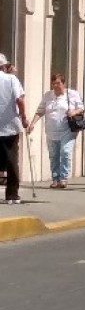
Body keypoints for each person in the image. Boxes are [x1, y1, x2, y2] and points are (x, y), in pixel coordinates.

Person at [27, 73, 85, 189]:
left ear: (63, 83)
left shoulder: (72, 94)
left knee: (65, 152)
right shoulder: (48, 95)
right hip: (51, 130)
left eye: (58, 83)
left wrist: (74, 112)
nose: (56, 86)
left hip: (67, 130)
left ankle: (63, 179)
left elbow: (82, 108)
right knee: (53, 155)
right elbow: (40, 111)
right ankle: (55, 179)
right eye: (54, 83)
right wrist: (32, 124)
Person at [0, 53, 26, 204]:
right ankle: (12, 194)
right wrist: (24, 118)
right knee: (11, 160)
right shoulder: (11, 79)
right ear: (4, 66)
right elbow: (20, 100)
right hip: (9, 126)